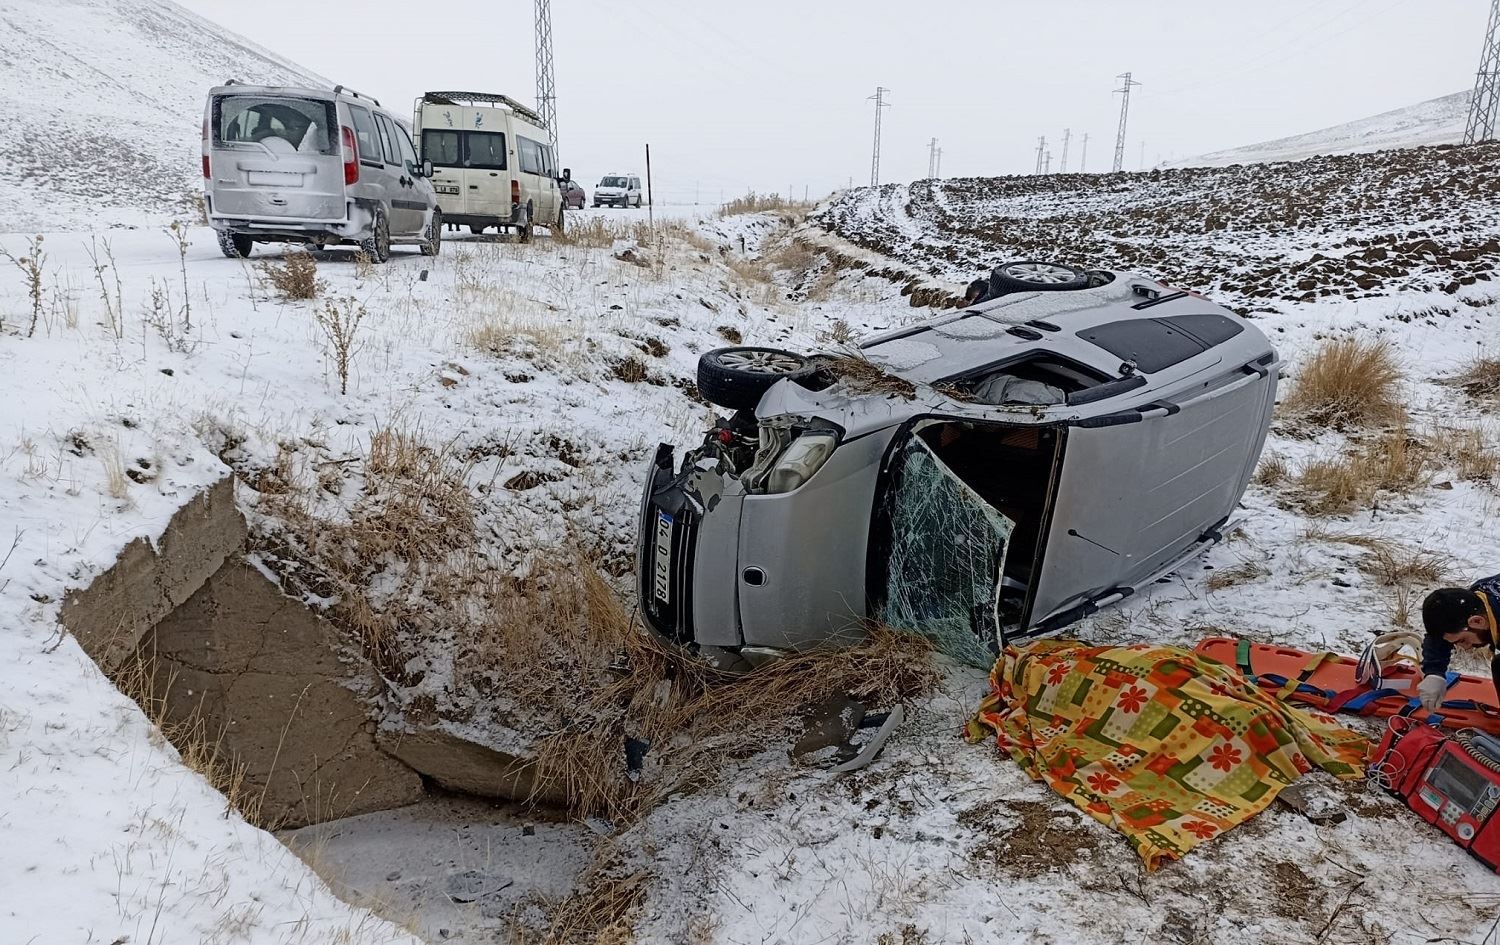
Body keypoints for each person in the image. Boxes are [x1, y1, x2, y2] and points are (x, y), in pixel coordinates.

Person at [1418, 574, 1500, 711]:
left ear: (1477, 621)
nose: (1466, 647)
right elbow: (1441, 635)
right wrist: (1434, 672)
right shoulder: (1479, 598)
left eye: (1463, 640)